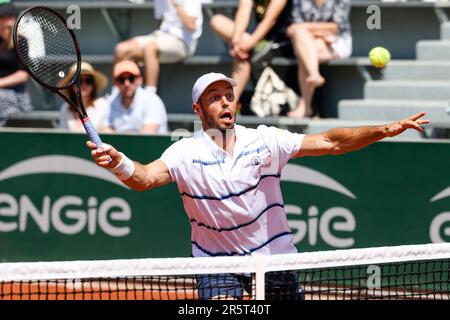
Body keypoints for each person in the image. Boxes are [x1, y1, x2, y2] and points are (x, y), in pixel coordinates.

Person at [87, 72, 428, 299]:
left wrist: (384, 129)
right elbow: (145, 178)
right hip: (217, 264)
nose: (224, 102)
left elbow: (331, 142)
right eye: (214, 97)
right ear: (198, 109)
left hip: (274, 259)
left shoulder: (266, 141)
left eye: (228, 95)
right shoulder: (184, 152)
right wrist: (119, 162)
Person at [209, 0, 292, 102]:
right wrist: (236, 41)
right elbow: (243, 13)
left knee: (242, 55)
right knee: (217, 21)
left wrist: (248, 44)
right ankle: (232, 104)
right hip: (256, 41)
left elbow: (270, 20)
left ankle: (231, 103)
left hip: (281, 42)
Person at [114, 0, 203, 93]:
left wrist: (176, 4)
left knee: (149, 48)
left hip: (183, 42)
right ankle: (116, 93)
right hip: (160, 36)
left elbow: (191, 25)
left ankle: (150, 94)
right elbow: (161, 22)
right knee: (121, 49)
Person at [287, 0, 353, 119]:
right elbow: (293, 30)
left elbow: (335, 28)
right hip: (307, 40)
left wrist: (304, 30)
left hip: (336, 42)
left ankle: (305, 105)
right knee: (305, 46)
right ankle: (314, 75)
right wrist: (313, 33)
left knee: (304, 49)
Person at [103, 60, 168, 134]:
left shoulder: (152, 100)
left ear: (139, 79)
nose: (127, 84)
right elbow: (106, 131)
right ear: (115, 82)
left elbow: (148, 136)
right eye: (122, 79)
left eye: (131, 78)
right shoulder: (110, 102)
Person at [0, 2, 32, 126]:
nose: (4, 21)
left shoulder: (21, 41)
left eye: (6, 17)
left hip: (15, 94)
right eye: (1, 17)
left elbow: (23, 75)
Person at [59, 61, 109, 132]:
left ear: (93, 85)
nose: (83, 85)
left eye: (88, 80)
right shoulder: (65, 108)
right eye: (78, 81)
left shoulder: (103, 105)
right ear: (71, 85)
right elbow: (62, 135)